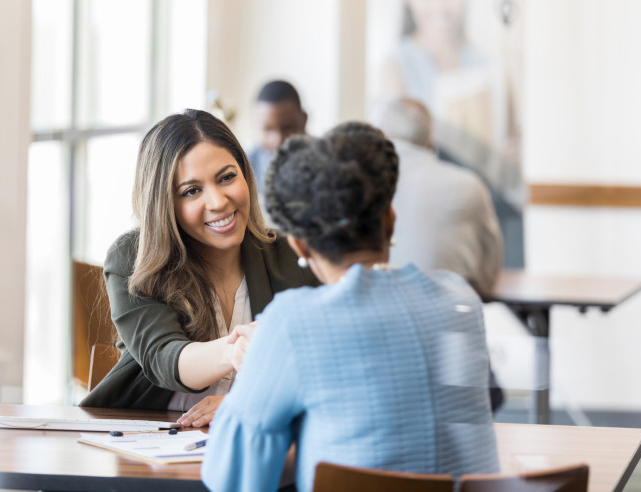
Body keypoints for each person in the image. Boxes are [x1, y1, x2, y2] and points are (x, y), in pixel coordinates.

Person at [202, 122, 499, 492]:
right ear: (390, 221)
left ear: (299, 246)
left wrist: (255, 369)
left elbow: (231, 477)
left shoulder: (295, 323)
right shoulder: (459, 300)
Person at [79, 109, 317, 427]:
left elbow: (327, 366)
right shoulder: (132, 258)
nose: (218, 201)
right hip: (150, 447)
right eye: (192, 191)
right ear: (164, 203)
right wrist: (237, 350)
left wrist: (247, 402)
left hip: (261, 447)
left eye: (227, 177)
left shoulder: (293, 255)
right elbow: (164, 357)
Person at [376, 96, 502, 294]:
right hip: (454, 312)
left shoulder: (364, 184)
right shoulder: (469, 184)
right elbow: (489, 271)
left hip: (378, 305)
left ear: (381, 134)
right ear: (431, 139)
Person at [246, 80, 308, 195]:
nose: (278, 140)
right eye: (267, 129)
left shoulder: (326, 162)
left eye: (287, 128)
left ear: (304, 120)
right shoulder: (246, 166)